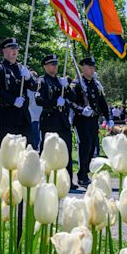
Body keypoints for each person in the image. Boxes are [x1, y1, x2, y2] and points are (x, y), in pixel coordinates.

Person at [36, 54, 77, 189]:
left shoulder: (61, 81)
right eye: (52, 64)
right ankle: (44, 177)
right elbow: (39, 99)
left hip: (63, 121)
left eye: (56, 64)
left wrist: (68, 87)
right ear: (45, 66)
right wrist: (54, 102)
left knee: (66, 151)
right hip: (49, 119)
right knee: (47, 150)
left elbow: (74, 97)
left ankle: (67, 181)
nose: (55, 66)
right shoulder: (42, 81)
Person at [70, 56, 113, 187]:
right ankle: (82, 175)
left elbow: (102, 103)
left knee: (92, 148)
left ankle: (86, 172)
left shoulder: (96, 84)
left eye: (93, 67)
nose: (92, 69)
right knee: (85, 146)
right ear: (83, 68)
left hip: (93, 120)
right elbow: (71, 102)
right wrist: (81, 110)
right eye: (90, 67)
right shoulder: (76, 84)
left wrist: (108, 117)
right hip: (81, 120)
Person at [0, 38, 38, 146]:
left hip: (24, 115)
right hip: (7, 114)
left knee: (26, 148)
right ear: (4, 51)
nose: (14, 51)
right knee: (8, 149)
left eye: (16, 48)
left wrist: (29, 77)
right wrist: (12, 100)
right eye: (11, 48)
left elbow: (35, 87)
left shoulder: (23, 68)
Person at [27, 72, 42, 151]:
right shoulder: (39, 89)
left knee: (34, 139)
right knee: (37, 138)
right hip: (37, 116)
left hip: (33, 116)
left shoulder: (29, 91)